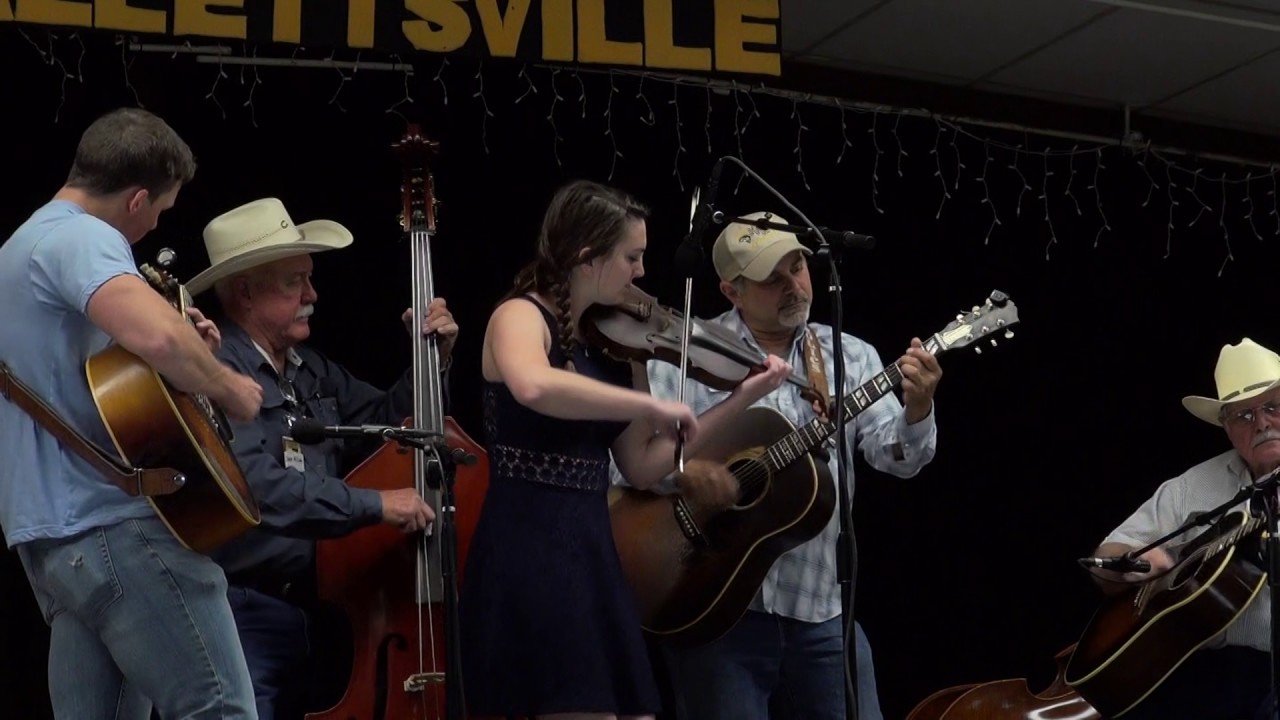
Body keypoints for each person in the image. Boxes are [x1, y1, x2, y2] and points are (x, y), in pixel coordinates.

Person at [458, 180, 791, 720]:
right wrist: (657, 408)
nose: (641, 272)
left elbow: (643, 465)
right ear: (588, 258)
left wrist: (742, 398)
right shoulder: (519, 316)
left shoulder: (617, 345)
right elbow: (534, 385)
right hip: (528, 551)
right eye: (632, 257)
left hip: (593, 552)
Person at [0, 107, 264, 719]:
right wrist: (226, 385)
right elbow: (161, 342)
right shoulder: (84, 237)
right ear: (138, 199)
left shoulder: (19, 247)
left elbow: (100, 371)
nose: (150, 229)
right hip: (114, 524)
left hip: (51, 541)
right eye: (162, 212)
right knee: (220, 709)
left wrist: (184, 340)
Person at [631, 211, 942, 720]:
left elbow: (897, 460)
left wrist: (919, 408)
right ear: (732, 291)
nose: (793, 285)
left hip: (821, 607)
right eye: (771, 279)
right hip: (717, 603)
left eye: (797, 267)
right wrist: (688, 477)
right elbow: (632, 471)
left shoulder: (849, 354)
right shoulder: (684, 353)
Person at [186, 197, 448, 720]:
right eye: (293, 282)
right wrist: (375, 505)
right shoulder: (216, 372)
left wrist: (431, 360)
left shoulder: (309, 367)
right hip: (246, 609)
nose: (312, 295)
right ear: (244, 293)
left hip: (322, 607)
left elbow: (386, 427)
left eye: (308, 279)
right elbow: (257, 487)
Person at [1089, 337, 1278, 720]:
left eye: (1274, 407)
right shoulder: (1192, 486)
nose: (1261, 423)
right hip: (1202, 676)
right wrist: (1135, 565)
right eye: (1243, 415)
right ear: (1226, 427)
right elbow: (1103, 559)